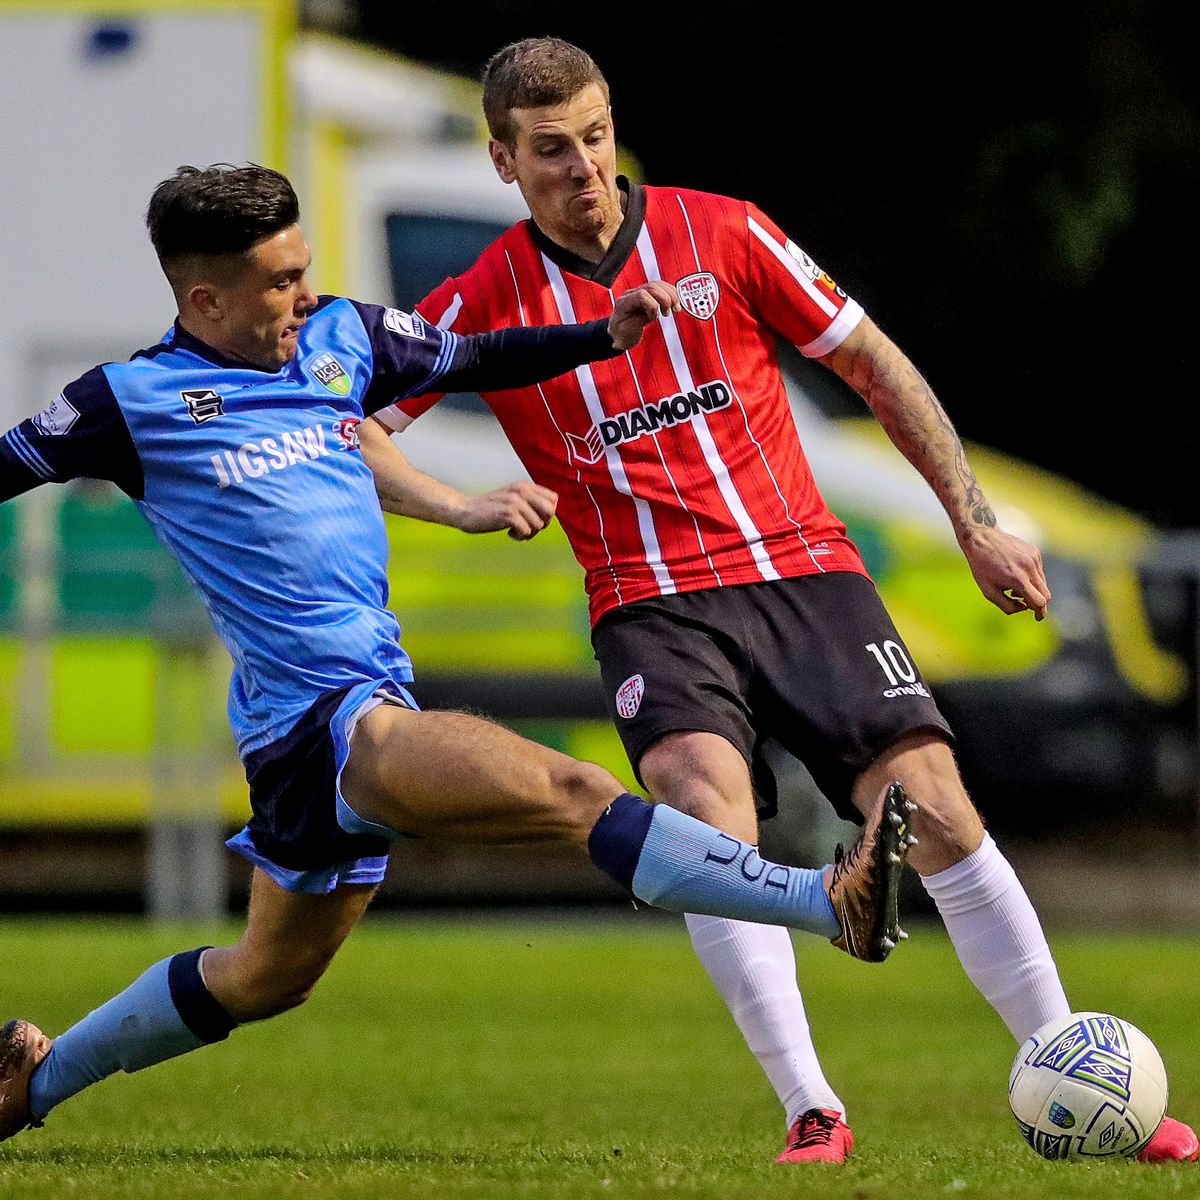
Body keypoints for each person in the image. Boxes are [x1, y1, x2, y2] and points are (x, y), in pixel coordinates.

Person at [365, 38, 1198, 1165]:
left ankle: (1071, 1066)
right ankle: (813, 1109)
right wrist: (456, 505)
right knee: (702, 806)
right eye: (551, 149)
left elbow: (874, 365)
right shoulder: (478, 303)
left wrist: (974, 520)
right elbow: (350, 429)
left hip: (802, 570)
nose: (583, 167)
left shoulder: (725, 230)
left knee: (933, 800)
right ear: (503, 160)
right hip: (651, 604)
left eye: (596, 136)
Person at [0, 164, 917, 1144]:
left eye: (304, 269)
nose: (303, 295)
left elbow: (474, 354)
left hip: (349, 712)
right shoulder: (132, 399)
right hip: (324, 725)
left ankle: (31, 1083)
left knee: (264, 977)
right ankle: (828, 900)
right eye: (279, 282)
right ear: (204, 299)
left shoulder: (339, 337)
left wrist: (598, 336)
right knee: (572, 793)